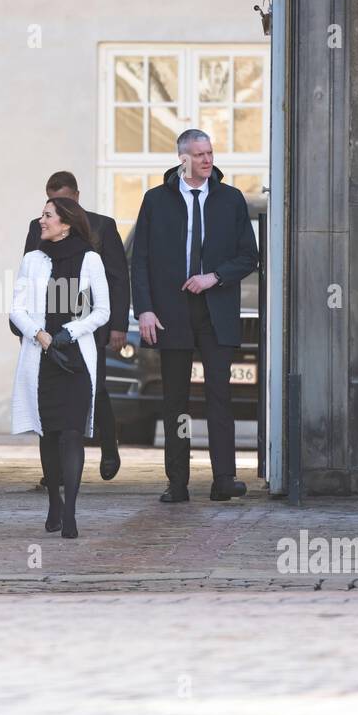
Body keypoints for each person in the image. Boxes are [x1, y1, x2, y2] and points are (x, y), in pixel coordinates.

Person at [131, 128, 259, 503]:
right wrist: (146, 310)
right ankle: (178, 482)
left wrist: (213, 277)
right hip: (171, 311)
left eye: (210, 152)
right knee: (176, 400)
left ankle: (224, 478)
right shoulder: (156, 201)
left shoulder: (230, 200)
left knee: (220, 395)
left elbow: (248, 256)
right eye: (200, 154)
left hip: (215, 309)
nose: (208, 159)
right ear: (182, 158)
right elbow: (141, 261)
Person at [17, 171, 129, 481]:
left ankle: (109, 446)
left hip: (87, 325)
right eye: (51, 201)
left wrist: (118, 323)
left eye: (64, 199)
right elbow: (27, 272)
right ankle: (54, 471)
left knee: (97, 388)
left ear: (77, 197)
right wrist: (25, 326)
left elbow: (118, 278)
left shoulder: (102, 226)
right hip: (44, 325)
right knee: (48, 395)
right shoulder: (36, 227)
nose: (55, 207)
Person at [10, 198, 111, 538]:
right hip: (42, 360)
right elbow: (16, 310)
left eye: (48, 215)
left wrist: (69, 332)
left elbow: (102, 311)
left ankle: (70, 512)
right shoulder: (32, 260)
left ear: (66, 223)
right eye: (42, 214)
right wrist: (40, 335)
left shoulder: (91, 259)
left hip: (76, 359)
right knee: (49, 435)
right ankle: (54, 499)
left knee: (71, 434)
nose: (41, 220)